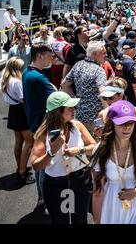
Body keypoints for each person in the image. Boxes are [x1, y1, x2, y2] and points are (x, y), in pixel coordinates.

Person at [91, 100, 136, 224]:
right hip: (113, 207)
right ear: (111, 124)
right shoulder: (100, 150)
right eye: (122, 123)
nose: (127, 127)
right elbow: (98, 191)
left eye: (131, 123)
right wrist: (97, 221)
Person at [31, 92, 96, 224]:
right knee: (61, 221)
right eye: (69, 108)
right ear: (57, 112)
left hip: (80, 180)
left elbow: (94, 147)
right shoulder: (43, 134)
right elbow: (36, 165)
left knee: (80, 220)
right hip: (57, 184)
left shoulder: (77, 125)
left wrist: (79, 150)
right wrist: (51, 152)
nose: (74, 110)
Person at [23, 44, 56, 208]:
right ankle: (45, 199)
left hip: (35, 123)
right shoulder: (39, 78)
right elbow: (57, 98)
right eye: (50, 55)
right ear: (40, 55)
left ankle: (42, 197)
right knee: (44, 166)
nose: (52, 58)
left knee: (40, 164)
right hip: (44, 125)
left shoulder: (27, 73)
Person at [1, 57, 35, 184]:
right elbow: (23, 98)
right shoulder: (16, 81)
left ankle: (20, 166)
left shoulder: (6, 80)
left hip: (13, 111)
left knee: (19, 141)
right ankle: (22, 171)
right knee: (29, 141)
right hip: (21, 111)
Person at [60, 41, 108, 132]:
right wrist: (108, 111)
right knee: (101, 142)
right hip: (96, 118)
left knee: (84, 142)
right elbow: (103, 93)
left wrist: (76, 102)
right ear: (94, 54)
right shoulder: (98, 70)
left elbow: (64, 85)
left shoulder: (78, 65)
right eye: (103, 53)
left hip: (80, 115)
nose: (106, 55)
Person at [114, 39, 136, 121]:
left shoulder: (119, 62)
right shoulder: (133, 65)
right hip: (132, 103)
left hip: (121, 100)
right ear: (133, 50)